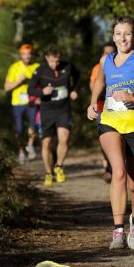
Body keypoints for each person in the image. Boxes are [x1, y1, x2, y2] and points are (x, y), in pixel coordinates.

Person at [87, 15, 134, 250]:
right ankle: (118, 231)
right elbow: (100, 81)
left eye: (128, 33)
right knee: (118, 172)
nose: (123, 38)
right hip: (110, 122)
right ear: (113, 36)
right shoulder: (106, 60)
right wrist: (93, 102)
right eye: (119, 33)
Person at [28, 46, 80, 187]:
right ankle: (48, 173)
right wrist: (42, 92)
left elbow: (78, 76)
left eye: (57, 61)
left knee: (64, 138)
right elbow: (30, 89)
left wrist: (75, 90)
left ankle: (59, 166)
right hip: (47, 110)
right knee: (46, 143)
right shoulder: (41, 70)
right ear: (46, 58)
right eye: (52, 61)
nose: (55, 64)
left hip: (63, 109)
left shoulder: (68, 66)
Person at [4, 44, 40, 164]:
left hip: (32, 101)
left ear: (32, 55)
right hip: (17, 102)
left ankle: (30, 146)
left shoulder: (37, 67)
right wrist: (18, 81)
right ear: (20, 55)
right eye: (24, 54)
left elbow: (43, 84)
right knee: (19, 128)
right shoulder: (14, 67)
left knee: (33, 125)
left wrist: (39, 96)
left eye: (29, 54)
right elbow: (6, 87)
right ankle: (20, 152)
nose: (27, 56)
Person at [89, 43, 115, 183]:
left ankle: (116, 167)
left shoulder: (121, 65)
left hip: (119, 108)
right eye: (106, 53)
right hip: (101, 107)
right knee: (106, 138)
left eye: (111, 53)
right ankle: (108, 168)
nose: (108, 56)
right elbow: (93, 86)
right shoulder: (97, 68)